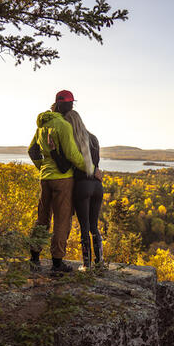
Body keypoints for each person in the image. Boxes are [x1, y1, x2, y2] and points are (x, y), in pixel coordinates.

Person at [27, 90, 87, 273]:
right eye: (71, 104)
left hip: (45, 179)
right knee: (62, 220)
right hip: (63, 179)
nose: (71, 106)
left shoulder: (42, 125)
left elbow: (32, 150)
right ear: (67, 105)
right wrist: (89, 168)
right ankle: (57, 263)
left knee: (42, 218)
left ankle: (34, 259)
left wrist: (43, 167)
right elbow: (72, 155)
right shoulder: (63, 125)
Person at [63, 110, 104, 270]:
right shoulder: (93, 138)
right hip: (97, 186)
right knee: (94, 226)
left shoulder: (71, 139)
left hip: (82, 186)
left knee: (84, 228)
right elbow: (97, 162)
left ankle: (87, 265)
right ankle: (100, 264)